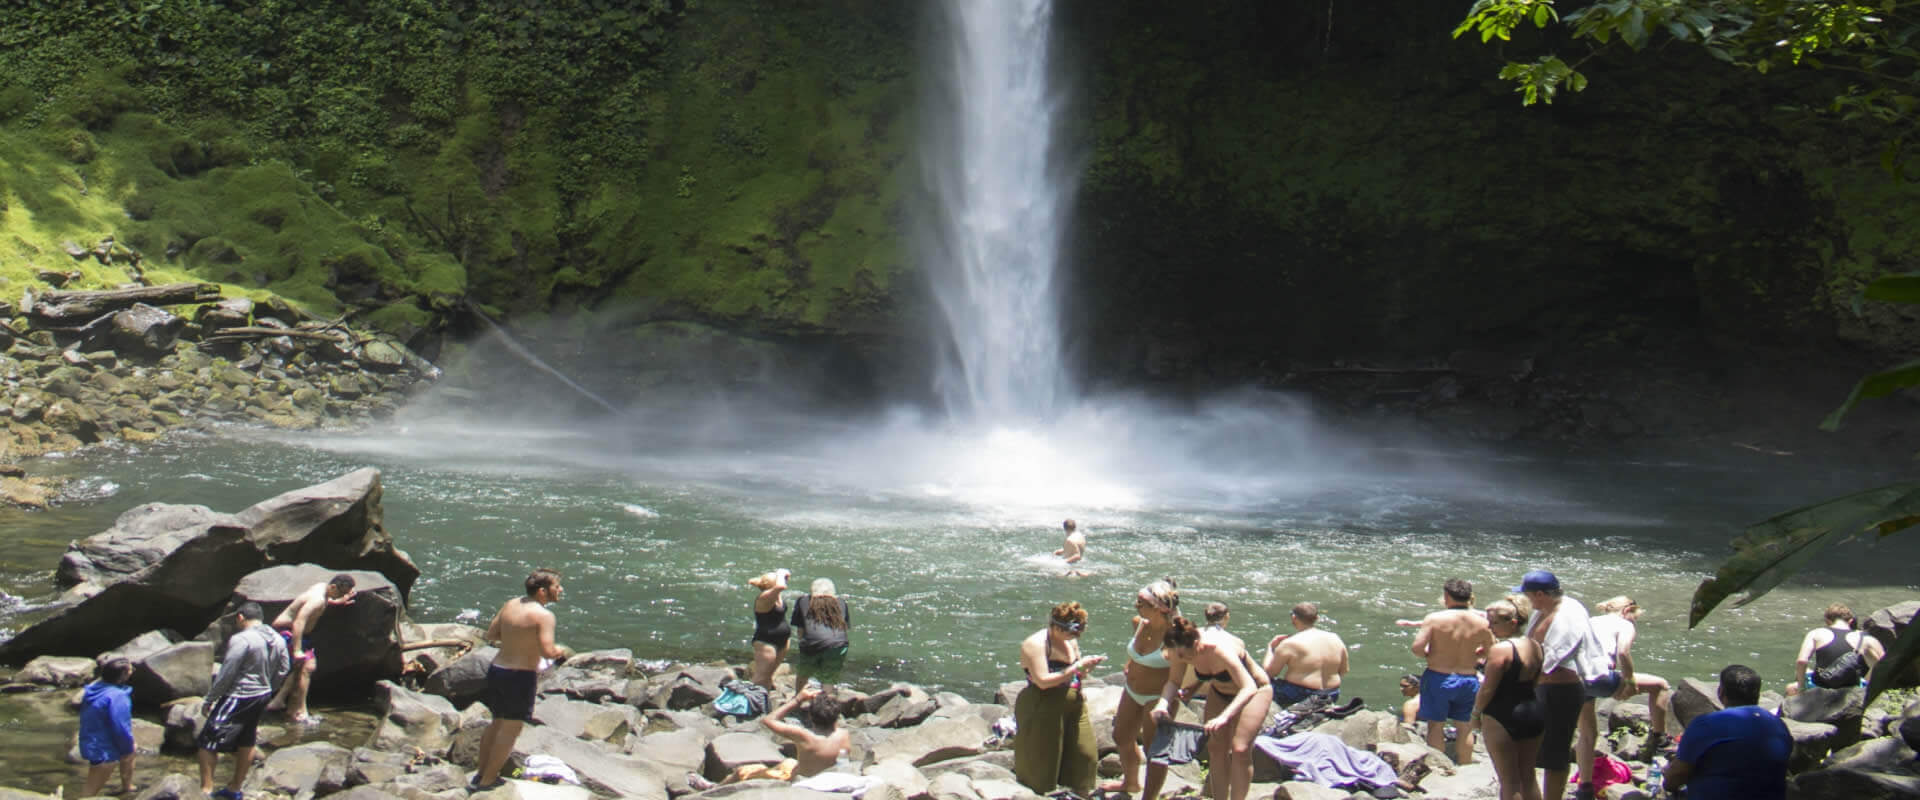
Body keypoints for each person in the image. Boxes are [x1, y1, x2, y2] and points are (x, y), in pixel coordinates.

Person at [472, 568, 571, 791]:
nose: (561, 590)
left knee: (496, 723)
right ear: (543, 591)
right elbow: (547, 651)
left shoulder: (511, 604)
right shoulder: (544, 615)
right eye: (557, 586)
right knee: (510, 730)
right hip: (520, 676)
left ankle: (480, 774)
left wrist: (518, 640)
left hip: (498, 669)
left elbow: (492, 634)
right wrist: (561, 651)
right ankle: (488, 782)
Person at [1516, 570, 1611, 800]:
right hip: (1539, 687)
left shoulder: (1569, 614)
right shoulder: (1544, 610)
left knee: (1555, 753)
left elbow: (1554, 656)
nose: (1525, 600)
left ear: (1540, 594)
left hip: (1561, 691)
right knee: (1527, 749)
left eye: (1527, 595)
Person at [1158, 615, 1271, 800]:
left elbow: (1248, 686)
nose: (1183, 660)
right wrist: (1162, 704)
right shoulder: (1179, 647)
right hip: (1220, 692)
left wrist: (1224, 717)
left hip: (1255, 691)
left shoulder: (1219, 649)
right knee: (1216, 748)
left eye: (1186, 656)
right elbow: (1173, 681)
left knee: (1240, 749)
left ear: (1197, 644)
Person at [198, 602, 290, 800]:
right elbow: (284, 668)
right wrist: (270, 688)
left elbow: (227, 671)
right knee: (246, 740)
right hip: (262, 695)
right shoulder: (277, 638)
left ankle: (205, 790)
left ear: (240, 617)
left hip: (239, 695)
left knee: (207, 741)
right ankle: (235, 789)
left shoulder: (242, 639)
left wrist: (210, 699)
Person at [1015, 601, 1105, 797]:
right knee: (1043, 766)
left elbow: (1077, 674)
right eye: (1071, 633)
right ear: (1056, 626)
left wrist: (1087, 668)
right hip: (1044, 704)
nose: (1074, 638)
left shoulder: (1070, 640)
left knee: (1085, 756)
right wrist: (1075, 668)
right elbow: (1043, 681)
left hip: (1074, 703)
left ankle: (1080, 793)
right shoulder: (1036, 644)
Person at [1664, 664, 1791, 800]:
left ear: (1721, 692)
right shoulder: (1778, 725)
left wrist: (1667, 779)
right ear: (1757, 695)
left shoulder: (1706, 724)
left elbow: (1676, 777)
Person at [1103, 579, 1180, 797]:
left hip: (1158, 697)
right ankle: (1130, 783)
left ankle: (1149, 796)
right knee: (1121, 737)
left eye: (1141, 603)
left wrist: (1180, 695)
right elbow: (1136, 654)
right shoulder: (1138, 622)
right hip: (1132, 690)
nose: (1136, 606)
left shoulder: (1173, 636)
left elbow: (1181, 673)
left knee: (1153, 750)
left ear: (1159, 608)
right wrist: (1129, 664)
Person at [1413, 578, 1494, 764]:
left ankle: (1437, 766)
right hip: (1468, 678)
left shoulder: (1434, 619)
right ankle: (1465, 763)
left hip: (1438, 677)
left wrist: (1432, 653)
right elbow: (1491, 650)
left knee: (1435, 725)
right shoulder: (1482, 622)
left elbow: (1417, 648)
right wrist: (1476, 654)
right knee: (1465, 726)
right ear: (1469, 597)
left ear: (1447, 596)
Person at [704, 685, 851, 785]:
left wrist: (798, 699)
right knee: (788, 762)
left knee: (743, 771)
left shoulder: (803, 736)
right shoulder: (844, 735)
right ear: (836, 717)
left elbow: (768, 720)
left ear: (812, 717)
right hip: (827, 778)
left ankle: (713, 789)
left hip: (801, 781)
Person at [1473, 597, 1544, 800]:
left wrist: (1476, 714)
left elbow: (1487, 689)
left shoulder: (1500, 650)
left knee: (1510, 781)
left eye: (1494, 622)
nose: (1490, 627)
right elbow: (1536, 681)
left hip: (1502, 714)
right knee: (1528, 777)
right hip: (1532, 710)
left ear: (1512, 623)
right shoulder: (1536, 646)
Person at [265, 573, 356, 724]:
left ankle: (279, 701)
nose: (341, 595)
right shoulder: (317, 599)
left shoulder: (322, 588)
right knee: (308, 666)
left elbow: (327, 600)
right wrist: (297, 650)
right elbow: (299, 621)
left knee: (299, 669)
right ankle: (300, 711)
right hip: (286, 632)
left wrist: (339, 601)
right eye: (341, 592)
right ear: (333, 587)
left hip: (295, 632)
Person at [1589, 596, 1672, 746]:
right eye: (1634, 617)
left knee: (1588, 733)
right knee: (1661, 686)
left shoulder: (1591, 621)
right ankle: (1660, 739)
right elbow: (1623, 652)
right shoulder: (1624, 624)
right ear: (1627, 610)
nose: (1634, 621)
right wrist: (1629, 682)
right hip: (1602, 678)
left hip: (1578, 678)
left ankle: (1588, 765)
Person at [1262, 602, 1348, 707]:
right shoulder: (1335, 638)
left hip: (1300, 695)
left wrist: (1271, 648)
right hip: (1331, 694)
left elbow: (1269, 673)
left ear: (1294, 618)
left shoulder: (1290, 643)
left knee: (1261, 683)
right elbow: (1343, 671)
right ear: (1317, 618)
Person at [1789, 602, 1884, 694]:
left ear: (1827, 620)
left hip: (1820, 686)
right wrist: (1867, 682)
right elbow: (1884, 664)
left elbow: (1801, 661)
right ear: (1850, 621)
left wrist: (1801, 688)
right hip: (1850, 689)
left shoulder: (1816, 633)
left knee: (1792, 686)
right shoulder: (1864, 638)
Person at [79, 658, 137, 797]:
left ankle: (127, 786)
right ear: (123, 675)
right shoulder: (117, 696)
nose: (132, 672)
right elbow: (121, 727)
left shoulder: (94, 689)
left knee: (130, 751)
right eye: (130, 670)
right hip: (103, 750)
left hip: (90, 741)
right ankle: (127, 786)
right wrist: (127, 747)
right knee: (89, 793)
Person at [790, 578, 852, 690]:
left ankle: (798, 698)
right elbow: (844, 628)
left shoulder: (803, 601)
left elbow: (800, 630)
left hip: (812, 642)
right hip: (839, 644)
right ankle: (825, 702)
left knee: (803, 673)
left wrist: (804, 647)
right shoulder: (841, 602)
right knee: (828, 677)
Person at [747, 568, 792, 690]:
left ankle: (764, 702)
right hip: (766, 643)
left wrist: (784, 575)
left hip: (782, 641)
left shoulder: (776, 596)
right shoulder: (764, 597)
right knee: (761, 677)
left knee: (769, 675)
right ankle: (748, 700)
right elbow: (781, 586)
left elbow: (782, 584)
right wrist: (781, 572)